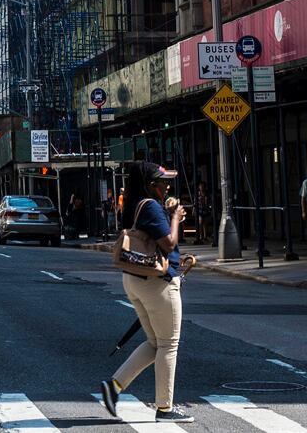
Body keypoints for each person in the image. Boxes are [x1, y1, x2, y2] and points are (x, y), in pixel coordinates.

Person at [99, 161, 193, 424]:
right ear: (151, 185)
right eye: (163, 182)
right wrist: (175, 217)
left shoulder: (138, 205)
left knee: (155, 343)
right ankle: (165, 408)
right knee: (168, 345)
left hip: (136, 280)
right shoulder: (151, 206)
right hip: (157, 282)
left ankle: (114, 386)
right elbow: (169, 242)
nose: (168, 186)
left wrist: (169, 214)